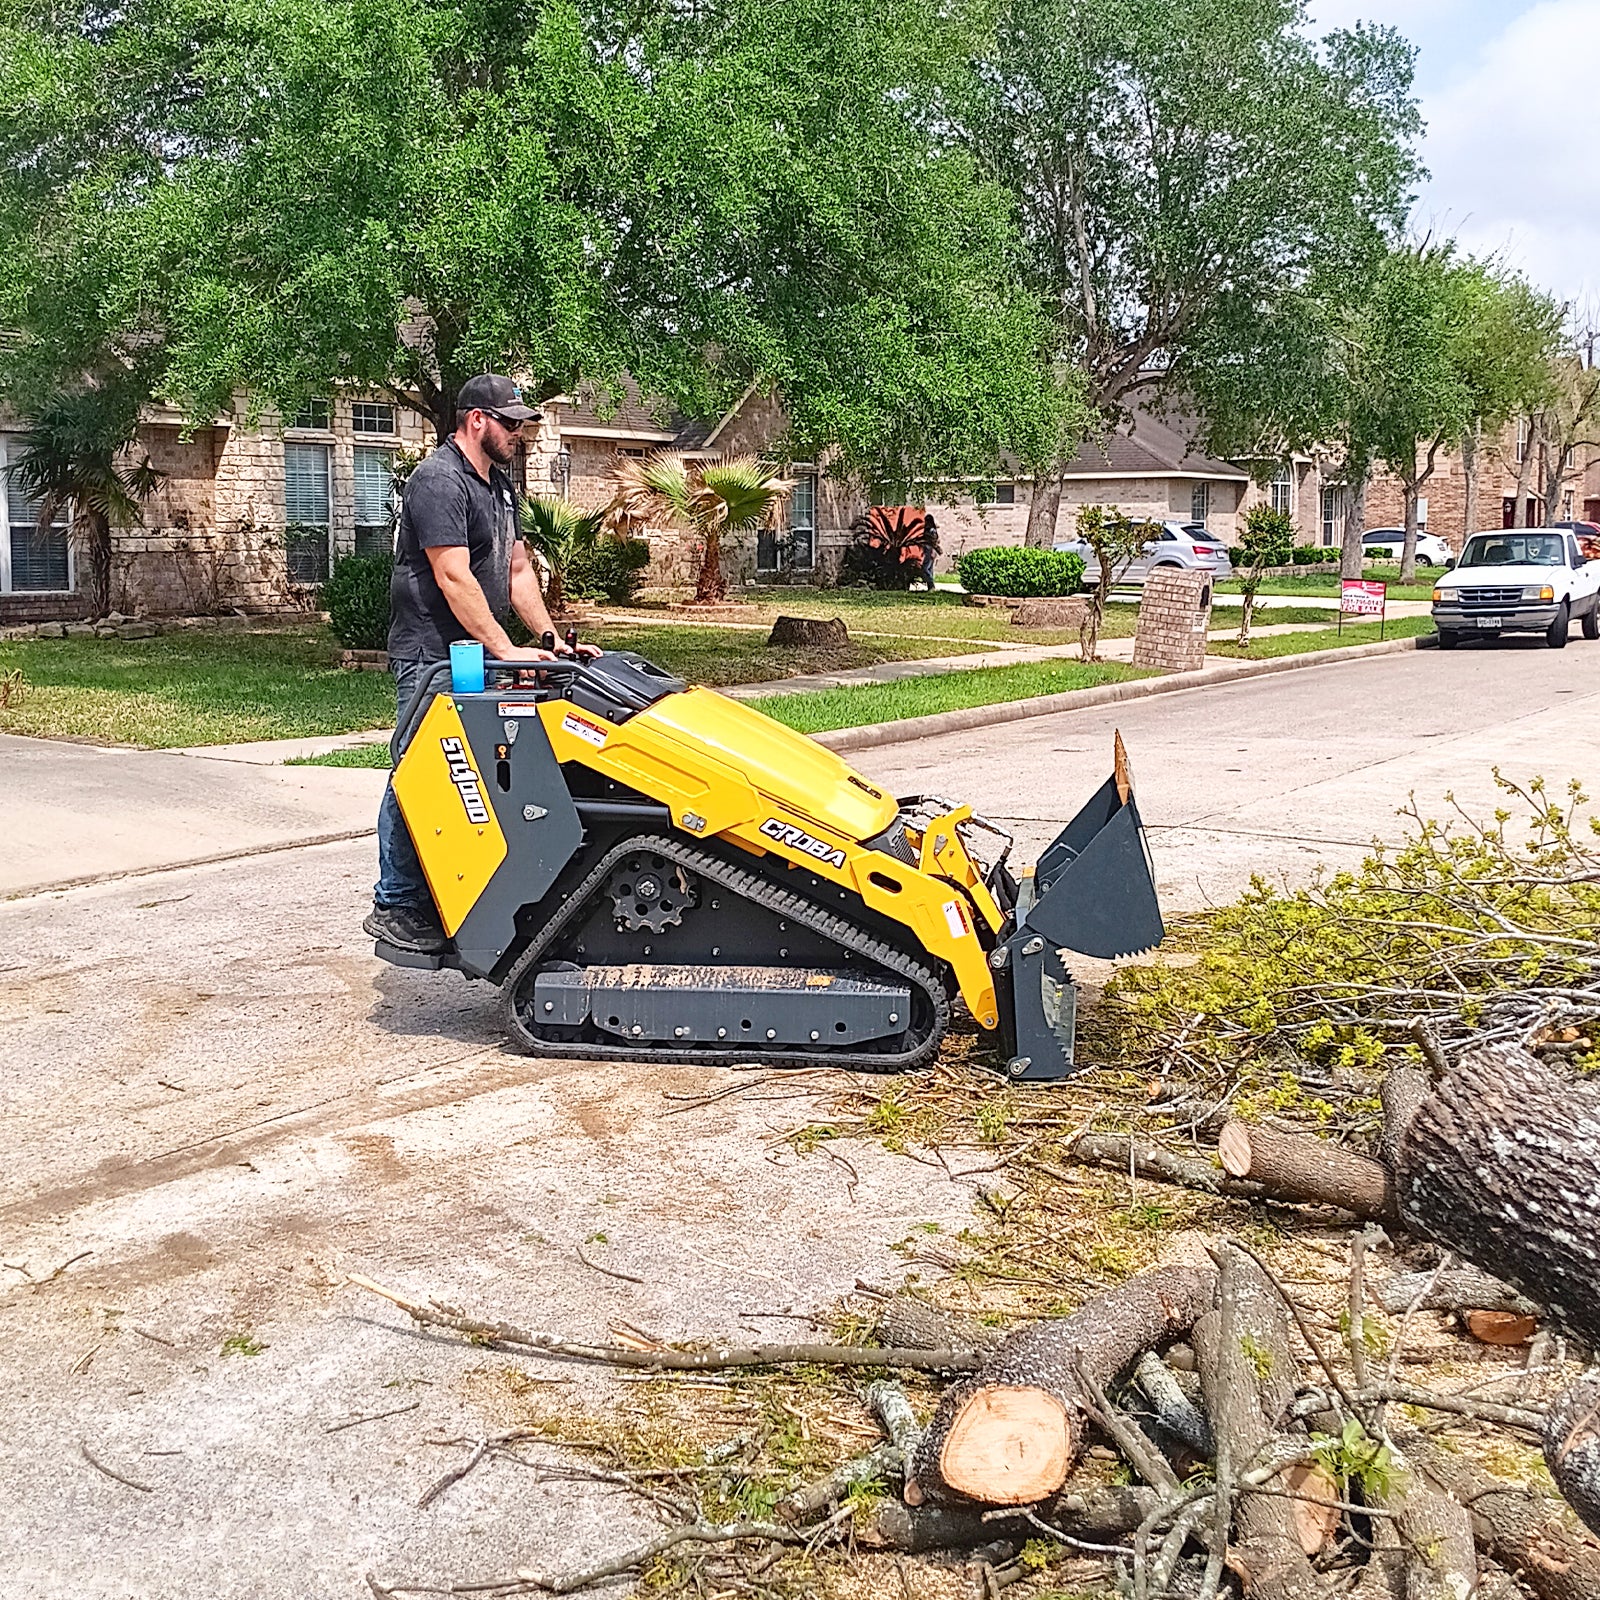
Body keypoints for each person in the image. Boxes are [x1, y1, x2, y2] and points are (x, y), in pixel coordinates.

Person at [364, 373, 597, 954]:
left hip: (477, 653)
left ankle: (465, 895)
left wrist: (547, 637)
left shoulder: (499, 486)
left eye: (522, 424)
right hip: (431, 655)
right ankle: (396, 904)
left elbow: (516, 570)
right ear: (476, 420)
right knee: (417, 771)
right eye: (510, 423)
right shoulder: (438, 481)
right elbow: (451, 575)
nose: (519, 433)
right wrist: (505, 649)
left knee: (481, 775)